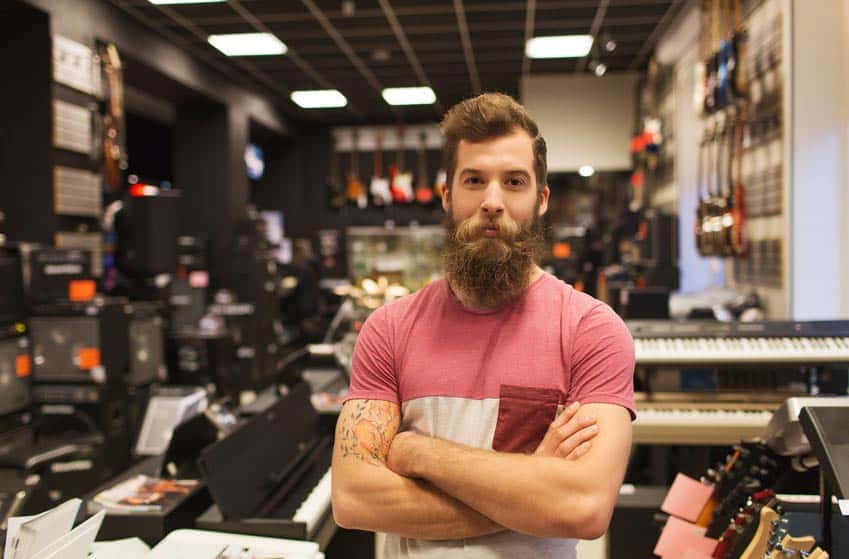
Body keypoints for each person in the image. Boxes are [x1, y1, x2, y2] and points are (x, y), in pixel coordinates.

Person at [331, 93, 635, 558]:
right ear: (449, 195)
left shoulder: (591, 330)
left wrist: (417, 453)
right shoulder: (388, 328)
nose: (492, 201)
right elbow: (354, 499)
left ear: (541, 199)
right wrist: (531, 488)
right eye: (475, 180)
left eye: (514, 182)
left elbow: (584, 507)